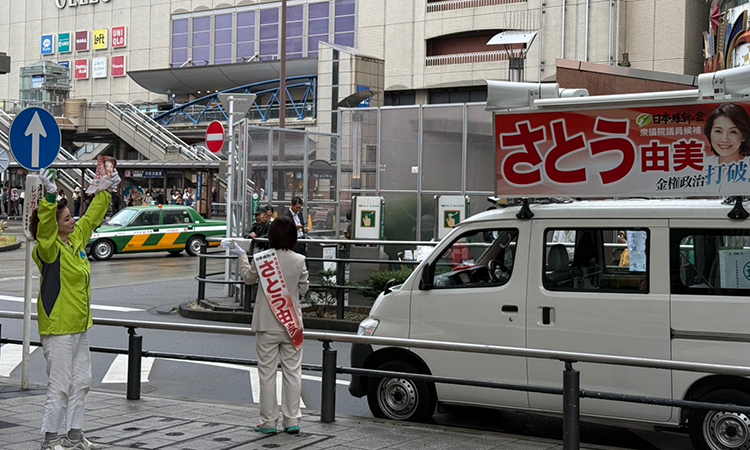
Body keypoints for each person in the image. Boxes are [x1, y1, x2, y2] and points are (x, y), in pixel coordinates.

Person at [31, 168, 119, 450]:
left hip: (79, 325)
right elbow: (45, 227)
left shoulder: (76, 241)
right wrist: (51, 196)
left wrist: (106, 190)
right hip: (58, 328)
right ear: (56, 226)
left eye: (71, 216)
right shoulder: (48, 249)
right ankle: (49, 439)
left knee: (82, 381)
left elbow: (92, 218)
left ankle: (74, 436)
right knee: (59, 386)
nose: (73, 220)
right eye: (67, 218)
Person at [223, 217, 309, 435]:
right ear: (293, 237)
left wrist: (242, 256)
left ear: (271, 236)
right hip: (292, 324)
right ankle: (292, 421)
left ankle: (268, 421)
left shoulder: (262, 258)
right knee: (292, 372)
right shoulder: (300, 260)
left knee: (267, 374)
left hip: (266, 324)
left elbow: (248, 279)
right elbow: (304, 289)